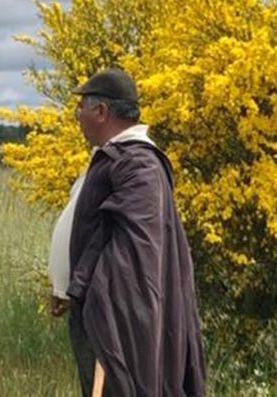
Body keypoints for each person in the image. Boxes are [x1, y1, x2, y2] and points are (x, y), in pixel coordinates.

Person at [60, 68, 207, 396]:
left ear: (101, 111)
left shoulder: (139, 165)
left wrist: (97, 309)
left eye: (81, 106)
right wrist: (65, 288)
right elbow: (98, 231)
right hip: (90, 309)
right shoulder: (114, 157)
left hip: (112, 320)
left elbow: (131, 257)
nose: (76, 115)